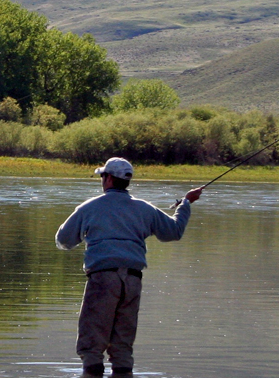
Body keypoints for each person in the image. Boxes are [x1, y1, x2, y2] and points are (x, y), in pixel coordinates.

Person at [55, 157, 203, 376]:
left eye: (103, 176)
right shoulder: (145, 209)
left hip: (102, 279)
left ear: (108, 179)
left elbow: (63, 240)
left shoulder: (89, 207)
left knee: (92, 343)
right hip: (133, 281)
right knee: (123, 344)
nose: (102, 179)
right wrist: (185, 205)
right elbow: (174, 231)